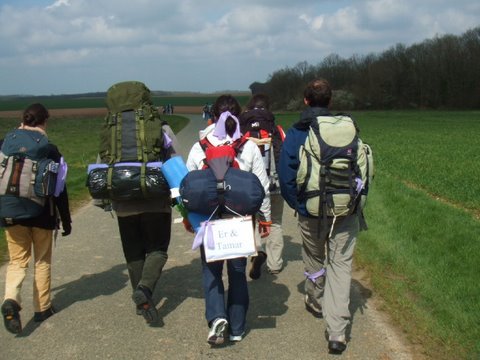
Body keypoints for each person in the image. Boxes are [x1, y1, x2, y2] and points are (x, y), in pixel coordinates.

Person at [278, 79, 360, 354]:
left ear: (305, 101)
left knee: (315, 257)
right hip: (345, 210)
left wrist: (299, 205)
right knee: (341, 266)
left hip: (311, 210)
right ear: (331, 101)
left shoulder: (297, 131)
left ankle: (315, 300)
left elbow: (286, 175)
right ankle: (337, 332)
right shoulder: (346, 129)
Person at [185, 94, 271, 345]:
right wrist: (264, 220)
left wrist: (190, 218)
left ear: (212, 116)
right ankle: (237, 326)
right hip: (240, 219)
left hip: (208, 218)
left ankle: (216, 318)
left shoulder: (199, 145)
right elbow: (261, 186)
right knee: (237, 272)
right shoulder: (249, 145)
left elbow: (189, 187)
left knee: (211, 272)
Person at [1, 103, 72, 334]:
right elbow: (60, 189)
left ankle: (11, 299)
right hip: (42, 214)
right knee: (42, 260)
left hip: (10, 212)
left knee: (17, 261)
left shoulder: (5, 144)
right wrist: (66, 220)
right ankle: (42, 308)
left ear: (23, 120)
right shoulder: (50, 149)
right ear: (45, 121)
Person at [239, 94, 285, 278]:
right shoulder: (278, 130)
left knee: (248, 221)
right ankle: (274, 264)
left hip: (247, 186)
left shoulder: (241, 131)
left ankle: (254, 251)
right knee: (275, 223)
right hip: (274, 184)